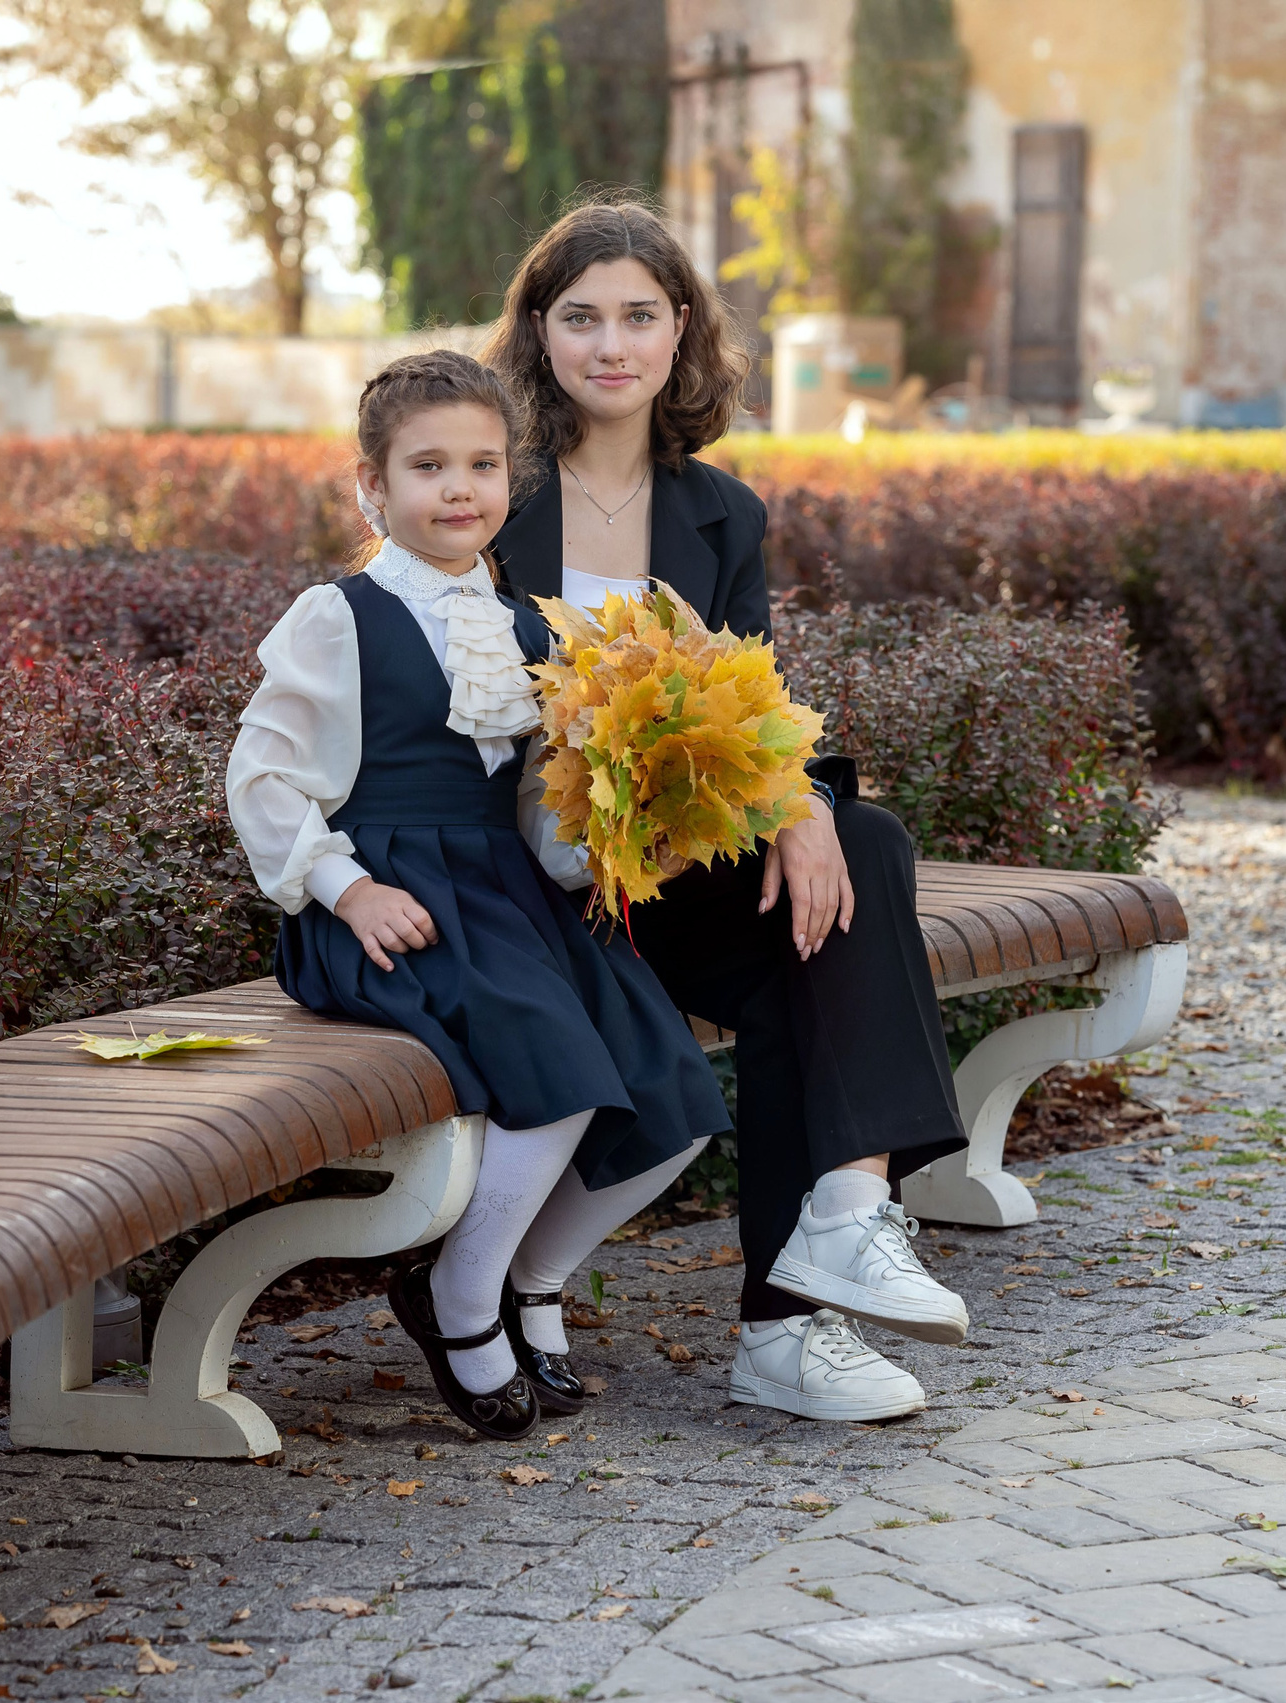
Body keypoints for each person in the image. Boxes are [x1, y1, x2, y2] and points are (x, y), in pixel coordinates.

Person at [484, 197, 974, 1423]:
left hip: (671, 865)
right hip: (533, 874)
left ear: (680, 329)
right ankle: (801, 1300)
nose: (611, 344)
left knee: (852, 854)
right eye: (581, 315)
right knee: (807, 953)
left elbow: (744, 697)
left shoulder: (722, 513)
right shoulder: (496, 492)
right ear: (538, 331)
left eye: (639, 316)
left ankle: (838, 1228)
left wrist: (798, 798)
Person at [225, 349, 732, 1441]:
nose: (459, 489)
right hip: (391, 906)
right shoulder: (339, 616)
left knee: (672, 1088)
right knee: (553, 1073)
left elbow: (542, 812)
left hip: (507, 901)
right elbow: (262, 777)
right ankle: (458, 1298)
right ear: (372, 484)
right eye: (427, 466)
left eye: (483, 464)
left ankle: (530, 1277)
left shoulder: (531, 630)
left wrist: (618, 844)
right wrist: (345, 888)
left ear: (511, 478)